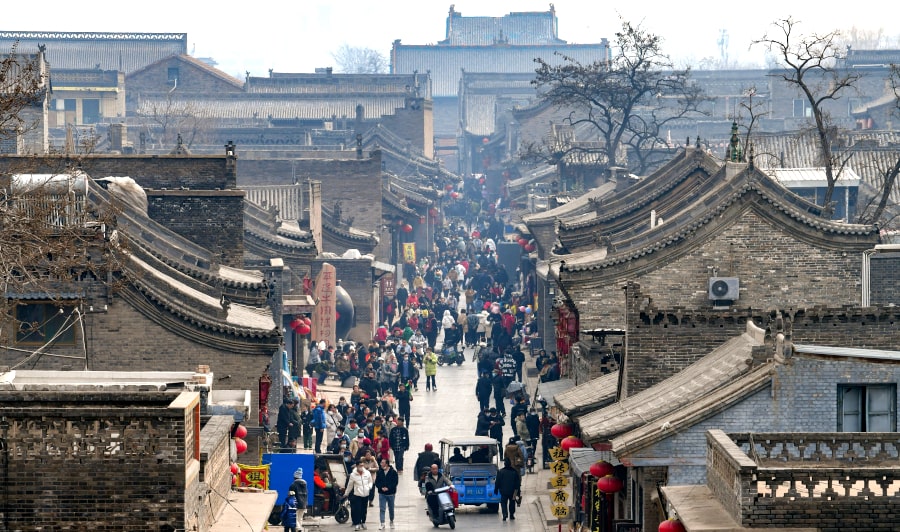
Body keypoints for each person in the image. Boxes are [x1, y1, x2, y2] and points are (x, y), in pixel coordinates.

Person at [347, 460, 374, 530]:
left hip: (366, 494)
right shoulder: (353, 475)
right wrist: (346, 493)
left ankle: (363, 522)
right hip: (357, 495)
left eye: (362, 465)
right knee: (357, 509)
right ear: (357, 466)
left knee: (364, 510)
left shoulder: (367, 473)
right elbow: (350, 485)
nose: (361, 467)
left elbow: (370, 481)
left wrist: (369, 487)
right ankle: (357, 523)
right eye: (360, 466)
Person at [374, 458, 398, 530]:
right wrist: (381, 488)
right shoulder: (379, 472)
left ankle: (391, 521)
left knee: (391, 508)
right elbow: (377, 482)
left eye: (382, 463)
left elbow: (395, 482)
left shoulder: (393, 472)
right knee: (382, 508)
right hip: (382, 494)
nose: (381, 464)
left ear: (386, 464)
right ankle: (382, 523)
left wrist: (388, 488)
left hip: (391, 493)